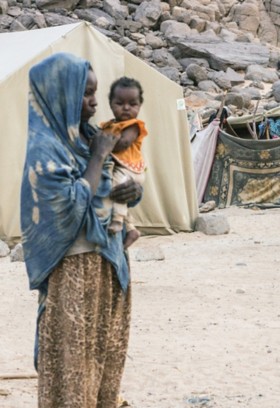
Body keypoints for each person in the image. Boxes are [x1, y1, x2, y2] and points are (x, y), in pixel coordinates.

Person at [20, 52, 142, 407]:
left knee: (103, 365)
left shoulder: (87, 137)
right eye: (85, 94)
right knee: (73, 371)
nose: (92, 102)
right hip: (74, 277)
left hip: (108, 267)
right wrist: (98, 158)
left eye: (94, 92)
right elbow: (69, 206)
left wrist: (132, 191)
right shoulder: (46, 150)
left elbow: (115, 187)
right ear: (61, 94)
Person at [100, 77, 148, 247]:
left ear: (140, 105)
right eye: (119, 103)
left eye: (132, 104)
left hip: (131, 168)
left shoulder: (133, 125)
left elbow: (123, 144)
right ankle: (131, 228)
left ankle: (118, 221)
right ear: (110, 103)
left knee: (116, 188)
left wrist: (103, 146)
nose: (126, 108)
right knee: (120, 196)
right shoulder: (110, 125)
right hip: (121, 167)